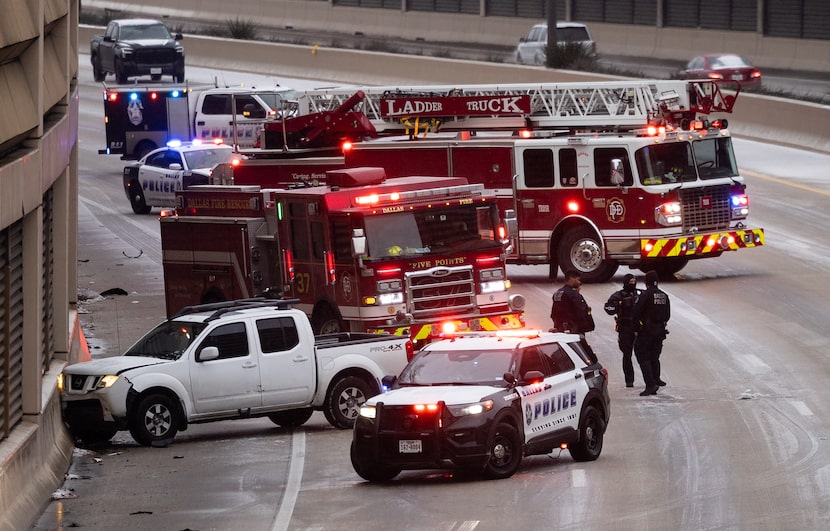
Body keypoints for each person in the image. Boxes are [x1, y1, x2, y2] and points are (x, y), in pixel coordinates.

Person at [632, 270, 671, 396]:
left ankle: (650, 384)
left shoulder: (645, 295)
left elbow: (636, 312)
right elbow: (667, 315)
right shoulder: (664, 296)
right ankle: (656, 379)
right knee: (654, 356)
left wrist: (636, 329)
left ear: (646, 282)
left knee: (643, 356)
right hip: (660, 331)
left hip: (646, 331)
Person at [604, 274, 640, 388]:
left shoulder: (640, 294)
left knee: (644, 355)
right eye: (630, 282)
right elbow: (608, 308)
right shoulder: (618, 295)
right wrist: (619, 305)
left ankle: (650, 380)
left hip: (640, 328)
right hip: (625, 328)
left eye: (634, 281)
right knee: (627, 354)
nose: (633, 284)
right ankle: (629, 381)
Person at [550, 269, 595, 336]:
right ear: (572, 279)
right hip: (573, 330)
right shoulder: (573, 294)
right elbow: (581, 311)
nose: (579, 282)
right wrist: (586, 327)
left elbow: (553, 314)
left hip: (560, 329)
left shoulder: (557, 293)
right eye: (578, 280)